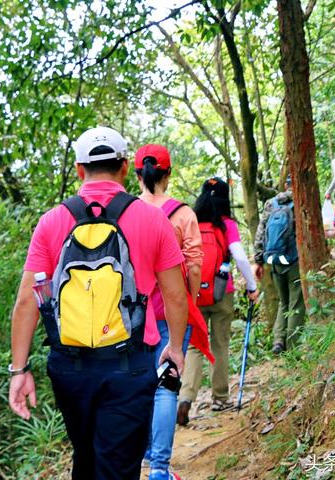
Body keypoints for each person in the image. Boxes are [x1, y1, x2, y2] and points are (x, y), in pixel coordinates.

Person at [8, 127, 188, 480]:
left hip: (69, 368)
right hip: (130, 364)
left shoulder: (51, 222)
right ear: (124, 167)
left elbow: (27, 303)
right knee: (118, 464)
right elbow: (176, 295)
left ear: (79, 169)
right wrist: (176, 347)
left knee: (86, 454)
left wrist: (19, 370)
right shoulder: (152, 219)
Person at [135, 143, 213, 480]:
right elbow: (194, 266)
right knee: (166, 386)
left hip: (132, 316)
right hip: (169, 312)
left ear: (137, 173)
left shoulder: (126, 212)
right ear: (168, 173)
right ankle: (159, 470)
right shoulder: (183, 214)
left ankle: (142, 459)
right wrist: (189, 302)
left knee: (137, 387)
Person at [177, 178, 259, 424]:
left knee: (194, 346)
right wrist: (252, 287)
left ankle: (185, 398)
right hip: (223, 292)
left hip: (193, 294)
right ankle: (220, 397)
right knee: (219, 345)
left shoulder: (189, 220)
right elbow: (240, 258)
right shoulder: (226, 225)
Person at [253, 176, 306, 355]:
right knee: (296, 303)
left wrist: (258, 260)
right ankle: (293, 346)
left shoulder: (271, 203)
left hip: (275, 260)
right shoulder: (301, 201)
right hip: (293, 259)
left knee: (284, 302)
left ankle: (278, 341)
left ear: (285, 186)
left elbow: (261, 233)